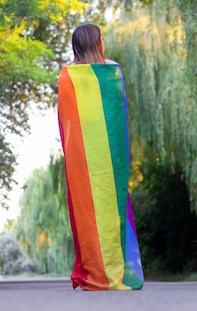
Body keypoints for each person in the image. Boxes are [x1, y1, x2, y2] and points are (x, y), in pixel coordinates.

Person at [57, 23, 144, 291]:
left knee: (88, 211)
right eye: (102, 38)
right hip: (109, 155)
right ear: (97, 42)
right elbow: (117, 112)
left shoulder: (68, 75)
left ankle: (96, 272)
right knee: (111, 208)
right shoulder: (112, 70)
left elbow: (66, 121)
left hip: (82, 156)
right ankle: (115, 271)